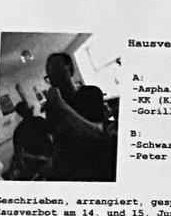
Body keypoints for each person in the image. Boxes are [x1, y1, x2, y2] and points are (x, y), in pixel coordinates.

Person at [41, 52, 117, 181]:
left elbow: (98, 132)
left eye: (59, 74)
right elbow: (59, 141)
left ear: (71, 71)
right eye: (51, 77)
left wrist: (62, 106)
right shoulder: (52, 107)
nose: (55, 81)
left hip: (98, 161)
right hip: (75, 169)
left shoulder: (91, 93)